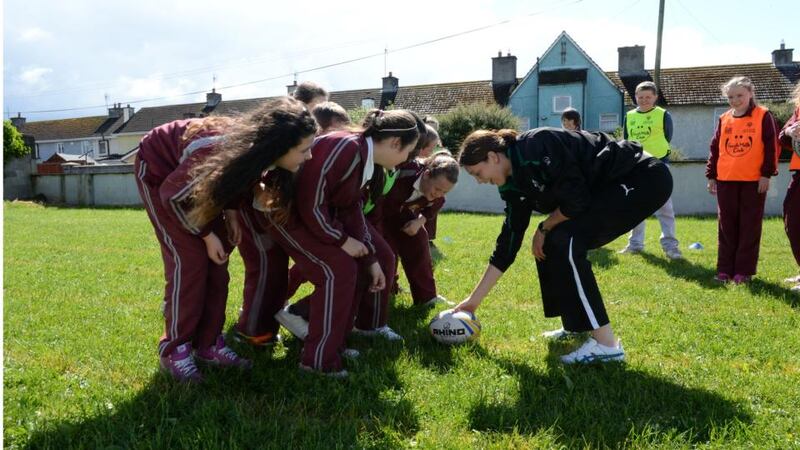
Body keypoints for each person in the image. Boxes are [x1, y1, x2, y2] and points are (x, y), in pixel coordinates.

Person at [134, 97, 316, 382]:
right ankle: (175, 349)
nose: (310, 157)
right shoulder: (218, 149)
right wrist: (206, 235)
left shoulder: (256, 153)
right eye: (304, 150)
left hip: (193, 182)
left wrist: (231, 213)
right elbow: (172, 196)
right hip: (161, 176)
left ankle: (208, 344)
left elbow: (233, 179)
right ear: (280, 146)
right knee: (190, 262)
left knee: (217, 267)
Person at [453, 127, 672, 363]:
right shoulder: (510, 185)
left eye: (478, 172)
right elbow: (508, 244)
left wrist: (545, 226)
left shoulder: (537, 144)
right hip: (605, 188)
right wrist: (472, 302)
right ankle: (576, 326)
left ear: (493, 157)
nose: (479, 181)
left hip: (642, 176)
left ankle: (607, 345)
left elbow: (576, 199)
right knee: (552, 244)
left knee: (566, 239)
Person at [268, 109, 421, 377]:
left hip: (315, 216)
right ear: (396, 143)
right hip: (286, 214)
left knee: (362, 264)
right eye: (408, 152)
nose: (406, 160)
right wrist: (342, 241)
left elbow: (351, 209)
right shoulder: (348, 148)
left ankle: (332, 343)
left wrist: (369, 256)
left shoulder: (364, 156)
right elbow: (309, 203)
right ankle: (317, 361)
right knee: (339, 270)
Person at [706, 76, 779, 284]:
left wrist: (766, 174)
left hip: (753, 181)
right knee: (726, 226)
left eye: (739, 95)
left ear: (750, 93)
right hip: (726, 179)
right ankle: (724, 270)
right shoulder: (724, 118)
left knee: (749, 226)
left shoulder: (763, 116)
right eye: (730, 96)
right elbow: (715, 149)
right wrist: (711, 175)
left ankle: (743, 271)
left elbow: (772, 147)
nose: (735, 100)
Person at [380, 153, 459, 307]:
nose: (439, 194)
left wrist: (419, 222)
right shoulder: (405, 171)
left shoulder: (438, 195)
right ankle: (386, 292)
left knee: (419, 238)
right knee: (387, 251)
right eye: (437, 188)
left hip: (401, 214)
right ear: (427, 174)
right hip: (378, 214)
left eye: (444, 191)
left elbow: (437, 203)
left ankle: (427, 297)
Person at [618, 81, 683, 260]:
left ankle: (671, 246)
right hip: (636, 166)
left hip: (659, 165)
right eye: (640, 97)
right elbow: (627, 140)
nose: (644, 100)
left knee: (665, 207)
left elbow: (667, 136)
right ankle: (635, 244)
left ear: (655, 97)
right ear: (635, 98)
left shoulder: (663, 115)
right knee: (636, 206)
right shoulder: (629, 115)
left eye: (648, 97)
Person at [779, 83, 800, 290]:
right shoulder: (798, 111)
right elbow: (782, 137)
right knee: (793, 222)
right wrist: (789, 132)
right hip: (799, 175)